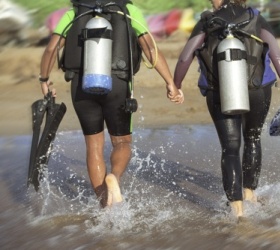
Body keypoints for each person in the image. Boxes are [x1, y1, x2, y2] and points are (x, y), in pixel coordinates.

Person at [39, 0, 183, 207]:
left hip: (82, 85)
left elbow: (51, 49)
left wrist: (44, 80)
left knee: (94, 147)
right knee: (122, 142)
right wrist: (170, 83)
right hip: (118, 83)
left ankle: (104, 205)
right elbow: (150, 48)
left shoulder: (75, 12)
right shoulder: (129, 10)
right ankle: (114, 177)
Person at [174, 0, 280, 218]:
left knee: (230, 148)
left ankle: (238, 212)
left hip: (219, 92)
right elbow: (276, 55)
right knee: (252, 138)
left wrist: (175, 85)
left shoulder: (206, 21)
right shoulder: (256, 17)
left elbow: (186, 56)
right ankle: (250, 193)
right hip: (258, 89)